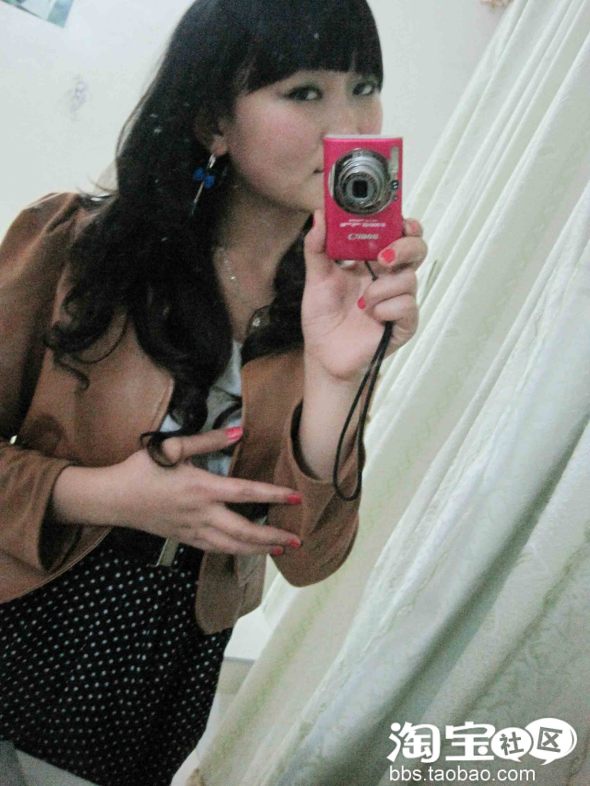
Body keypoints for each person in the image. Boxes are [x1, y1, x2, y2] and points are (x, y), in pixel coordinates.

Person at [0, 0, 427, 784]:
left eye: (364, 86)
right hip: (27, 607)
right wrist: (104, 495)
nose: (350, 124)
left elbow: (311, 556)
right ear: (213, 122)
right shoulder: (73, 246)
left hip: (170, 665)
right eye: (305, 92)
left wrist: (338, 377)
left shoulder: (336, 302)